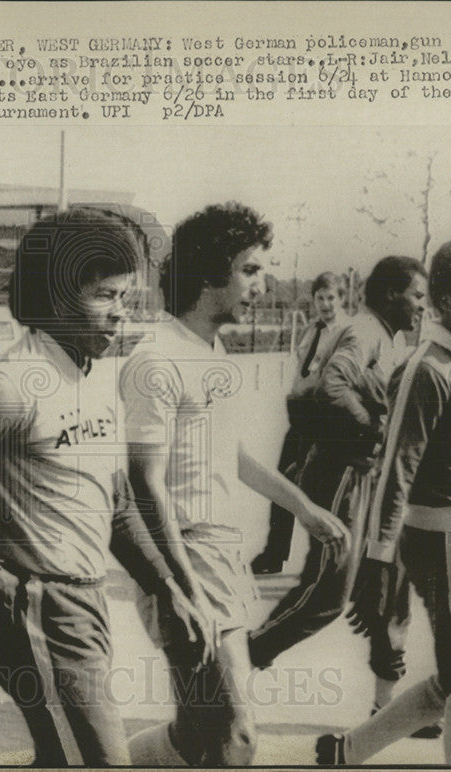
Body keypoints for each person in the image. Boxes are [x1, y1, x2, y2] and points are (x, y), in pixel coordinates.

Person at [0, 207, 208, 766]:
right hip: (39, 607)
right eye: (106, 296)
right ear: (55, 295)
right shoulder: (10, 383)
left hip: (87, 601)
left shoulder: (92, 374)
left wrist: (165, 586)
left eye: (126, 299)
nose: (120, 315)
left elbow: (117, 502)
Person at [121, 202, 350, 766]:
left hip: (222, 555)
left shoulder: (210, 352)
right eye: (250, 270)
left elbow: (234, 454)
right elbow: (143, 484)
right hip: (188, 554)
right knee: (236, 738)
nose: (262, 283)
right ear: (209, 273)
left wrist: (305, 510)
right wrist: (180, 587)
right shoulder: (157, 360)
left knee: (202, 736)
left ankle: (108, 760)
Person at [317, 237, 451, 765]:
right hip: (449, 545)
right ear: (444, 300)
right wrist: (375, 565)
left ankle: (347, 751)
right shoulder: (428, 368)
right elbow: (395, 474)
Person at [247, 256, 429, 717]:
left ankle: (385, 706)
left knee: (392, 586)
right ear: (391, 295)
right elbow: (332, 387)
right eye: (417, 297)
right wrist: (372, 428)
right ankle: (243, 655)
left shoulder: (389, 337)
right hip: (342, 475)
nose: (422, 307)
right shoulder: (366, 331)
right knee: (329, 597)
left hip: (372, 478)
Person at [252, 270, 348, 575]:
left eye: (331, 298)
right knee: (282, 482)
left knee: (325, 490)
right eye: (320, 298)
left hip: (329, 419)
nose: (325, 304)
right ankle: (274, 554)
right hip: (303, 418)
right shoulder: (310, 330)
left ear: (341, 299)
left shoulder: (348, 333)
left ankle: (332, 560)